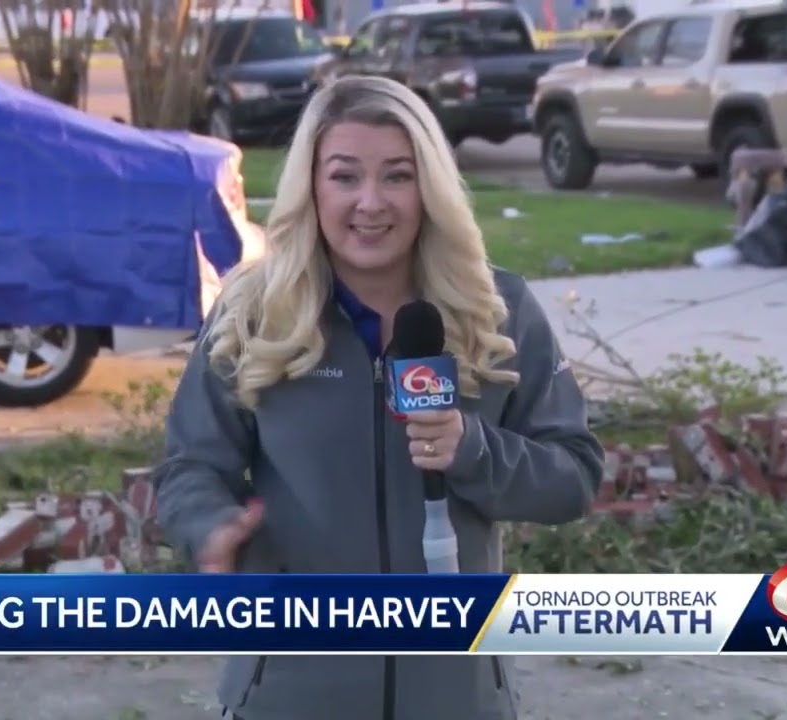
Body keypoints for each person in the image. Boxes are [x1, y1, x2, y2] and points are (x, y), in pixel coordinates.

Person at [153, 74, 605, 720]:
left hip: (458, 699)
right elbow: (189, 467)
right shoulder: (253, 315)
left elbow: (574, 476)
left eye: (397, 176)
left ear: (430, 189)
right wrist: (210, 526)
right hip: (290, 695)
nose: (371, 203)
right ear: (311, 187)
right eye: (345, 176)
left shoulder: (496, 311)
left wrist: (471, 450)